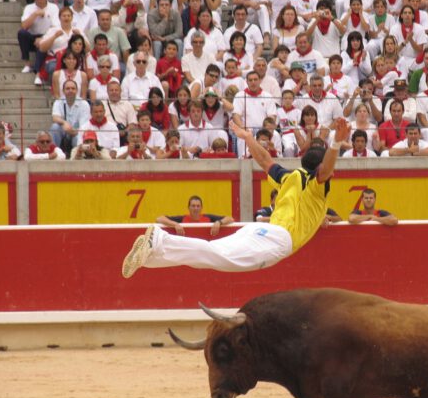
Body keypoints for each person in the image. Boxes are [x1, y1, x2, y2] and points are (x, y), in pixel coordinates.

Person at [121, 118, 351, 278]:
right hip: (279, 239)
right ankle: (159, 239)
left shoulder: (291, 177)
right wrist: (336, 143)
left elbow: (265, 161)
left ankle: (152, 254)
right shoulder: (316, 185)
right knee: (217, 257)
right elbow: (325, 170)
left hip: (260, 231)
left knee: (212, 254)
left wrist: (248, 138)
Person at [156, 195, 234, 237]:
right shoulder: (182, 219)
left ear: (201, 208)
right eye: (193, 206)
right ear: (189, 207)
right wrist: (175, 224)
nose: (196, 208)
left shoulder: (208, 218)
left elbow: (230, 219)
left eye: (198, 206)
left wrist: (219, 222)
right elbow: (159, 219)